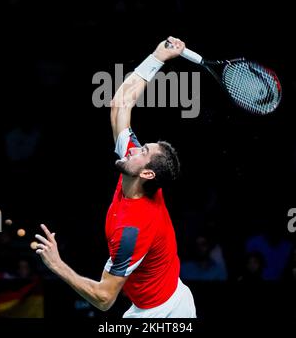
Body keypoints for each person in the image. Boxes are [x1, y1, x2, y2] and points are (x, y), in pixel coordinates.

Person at [35, 36, 196, 318]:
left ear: (146, 173)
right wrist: (158, 58)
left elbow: (105, 298)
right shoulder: (137, 171)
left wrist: (56, 264)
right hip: (168, 296)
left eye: (142, 150)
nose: (135, 148)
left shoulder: (132, 229)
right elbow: (120, 103)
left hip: (160, 315)